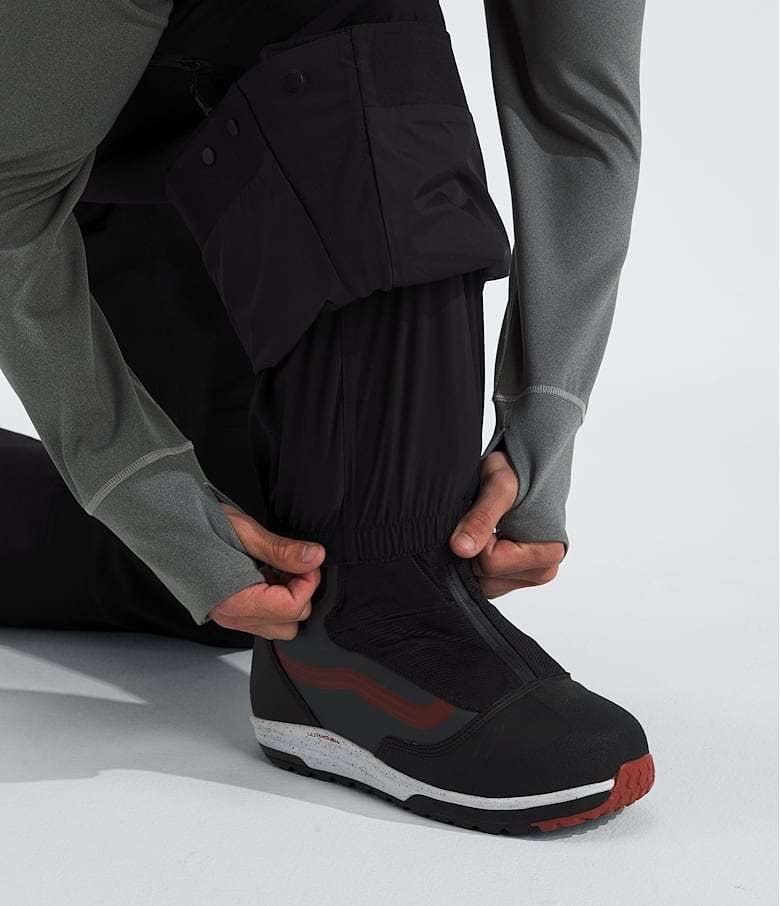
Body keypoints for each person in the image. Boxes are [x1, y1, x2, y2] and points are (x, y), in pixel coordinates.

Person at [0, 0, 651, 833]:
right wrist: (136, 486)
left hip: (168, 131)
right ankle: (372, 619)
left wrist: (542, 429)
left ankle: (348, 601)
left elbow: (578, 111)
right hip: (47, 137)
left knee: (230, 560)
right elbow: (10, 189)